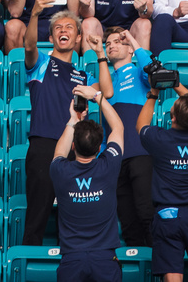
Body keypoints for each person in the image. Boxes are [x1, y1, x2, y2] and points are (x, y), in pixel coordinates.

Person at [136, 79, 188, 282]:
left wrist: (153, 93)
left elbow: (141, 125)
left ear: (172, 118)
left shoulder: (159, 139)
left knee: (172, 275)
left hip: (167, 216)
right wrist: (176, 83)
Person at [23, 0, 88, 246]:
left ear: (78, 38)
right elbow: (29, 47)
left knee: (73, 215)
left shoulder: (83, 75)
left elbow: (106, 92)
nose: (63, 31)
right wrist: (35, 14)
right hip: (43, 145)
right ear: (50, 38)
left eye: (69, 27)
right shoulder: (41, 64)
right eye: (58, 28)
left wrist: (100, 52)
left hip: (75, 149)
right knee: (37, 212)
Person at [50, 76, 126, 282]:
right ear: (100, 146)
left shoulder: (60, 170)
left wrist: (73, 120)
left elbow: (59, 152)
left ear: (74, 146)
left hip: (71, 260)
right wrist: (97, 97)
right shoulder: (108, 166)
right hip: (105, 259)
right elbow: (118, 128)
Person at [94, 27, 154, 247]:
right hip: (115, 160)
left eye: (118, 41)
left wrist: (133, 39)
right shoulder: (106, 81)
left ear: (130, 49)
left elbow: (154, 72)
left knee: (146, 213)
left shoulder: (139, 71)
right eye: (108, 43)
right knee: (127, 222)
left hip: (140, 153)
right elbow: (104, 125)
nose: (111, 45)